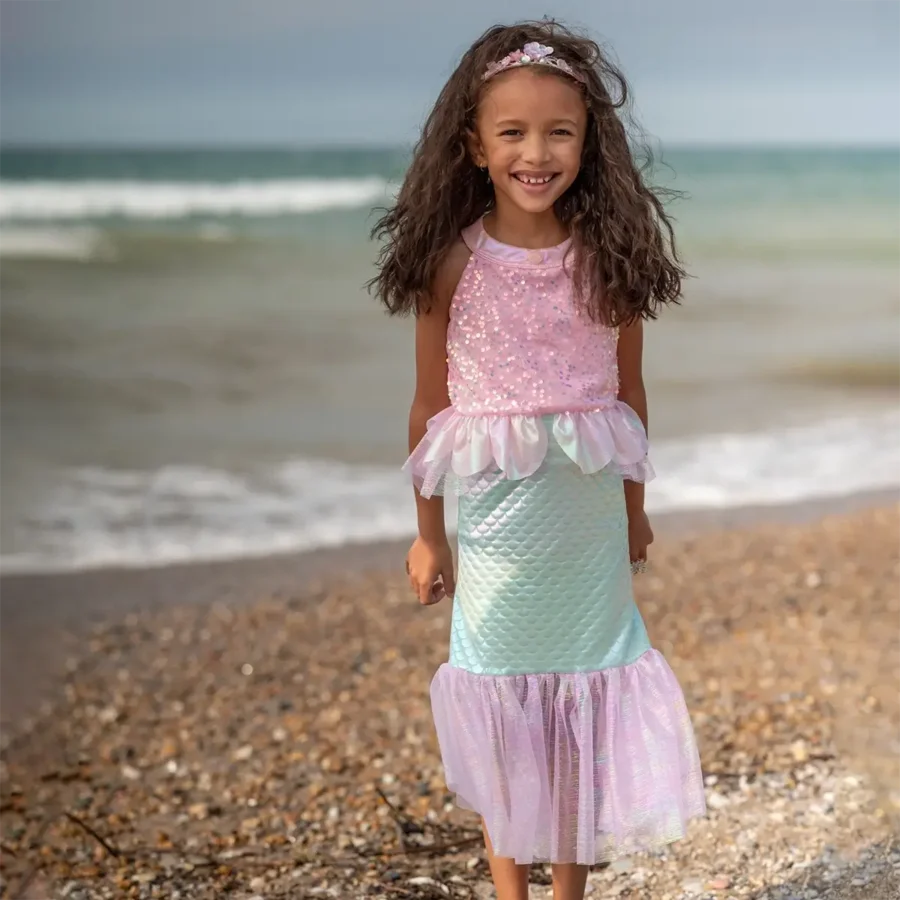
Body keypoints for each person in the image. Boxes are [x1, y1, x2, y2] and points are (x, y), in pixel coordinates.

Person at [370, 19, 706, 900]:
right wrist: (427, 535)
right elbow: (428, 408)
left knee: (583, 699)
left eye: (559, 131)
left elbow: (629, 399)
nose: (536, 151)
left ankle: (568, 893)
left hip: (585, 519)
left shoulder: (609, 259)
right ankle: (511, 891)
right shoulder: (452, 263)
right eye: (512, 132)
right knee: (501, 696)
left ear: (588, 143)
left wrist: (635, 511)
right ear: (474, 147)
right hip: (494, 520)